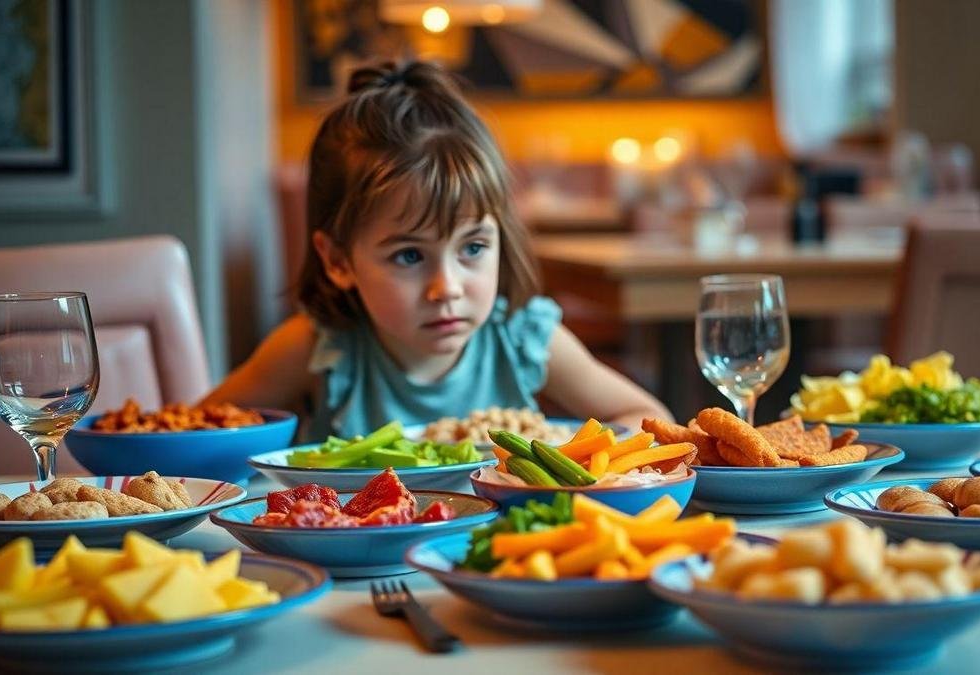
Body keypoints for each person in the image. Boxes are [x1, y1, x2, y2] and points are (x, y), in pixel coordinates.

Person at [204, 60, 671, 439]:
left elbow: (646, 417)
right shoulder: (316, 348)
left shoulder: (526, 341)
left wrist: (574, 456)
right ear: (338, 261)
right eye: (409, 256)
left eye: (472, 248)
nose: (445, 288)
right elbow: (197, 431)